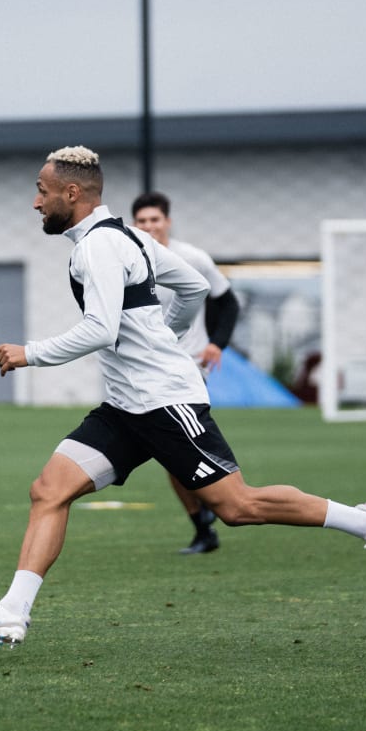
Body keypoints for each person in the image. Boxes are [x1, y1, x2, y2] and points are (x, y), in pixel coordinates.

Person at [0, 146, 366, 647]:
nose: (36, 202)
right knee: (49, 490)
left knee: (237, 507)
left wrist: (30, 353)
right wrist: (164, 336)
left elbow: (101, 329)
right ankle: (13, 612)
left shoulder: (100, 247)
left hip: (163, 401)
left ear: (72, 192)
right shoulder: (126, 238)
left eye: (41, 190)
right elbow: (191, 286)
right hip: (127, 406)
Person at [132, 191, 241, 554]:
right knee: (171, 453)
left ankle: (216, 509)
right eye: (142, 221)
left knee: (174, 451)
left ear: (167, 222)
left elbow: (227, 302)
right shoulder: (127, 259)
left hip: (188, 368)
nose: (149, 226)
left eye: (155, 220)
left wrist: (218, 344)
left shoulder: (192, 258)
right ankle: (207, 517)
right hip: (145, 371)